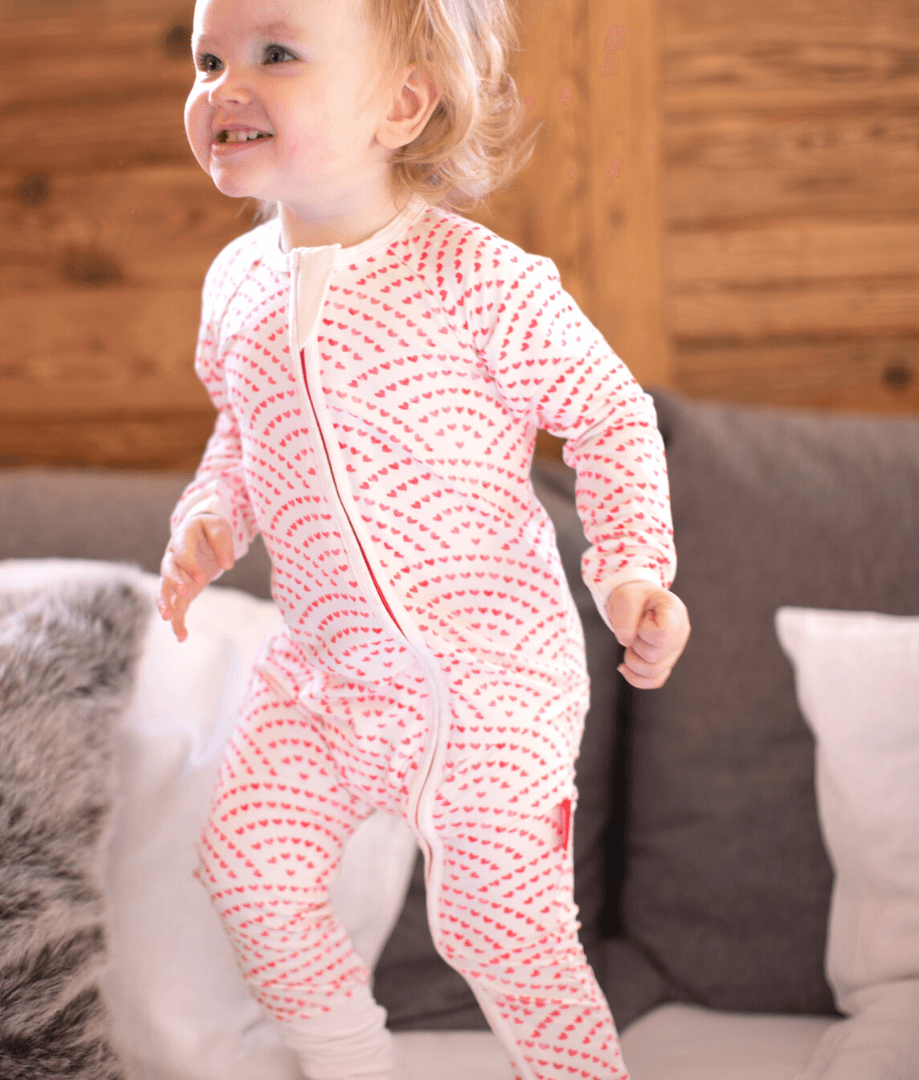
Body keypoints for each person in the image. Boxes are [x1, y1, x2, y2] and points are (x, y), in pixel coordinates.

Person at [158, 0, 691, 1076]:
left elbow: (607, 412)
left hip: (493, 675)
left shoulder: (478, 281)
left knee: (499, 928)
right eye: (207, 59)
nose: (223, 87)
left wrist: (633, 565)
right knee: (248, 869)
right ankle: (350, 1063)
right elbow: (242, 429)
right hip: (323, 675)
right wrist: (211, 513)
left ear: (401, 105)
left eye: (274, 54)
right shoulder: (235, 286)